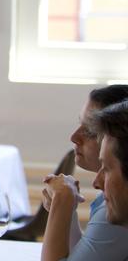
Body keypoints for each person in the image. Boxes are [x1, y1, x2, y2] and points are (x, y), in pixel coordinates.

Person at [41, 85, 128, 261]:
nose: (73, 136)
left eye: (89, 130)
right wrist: (68, 208)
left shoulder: (118, 209)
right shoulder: (113, 198)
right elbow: (83, 254)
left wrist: (62, 201)